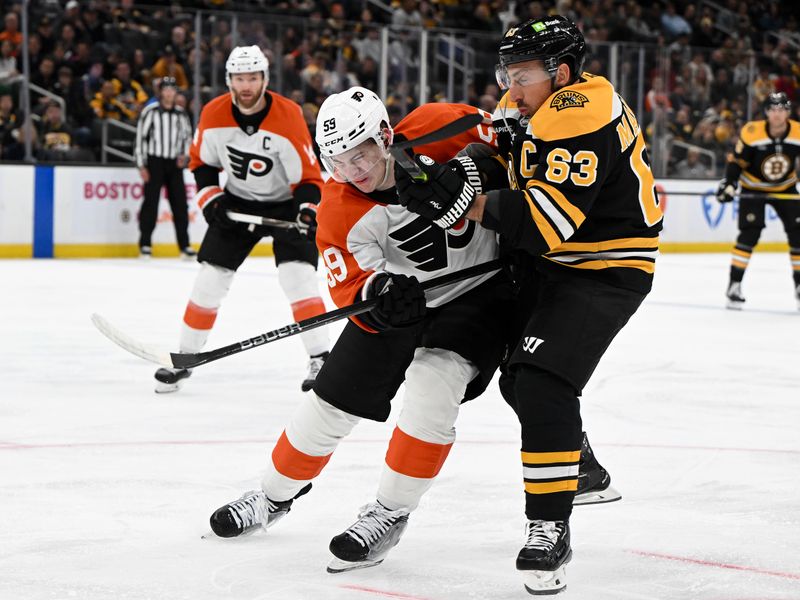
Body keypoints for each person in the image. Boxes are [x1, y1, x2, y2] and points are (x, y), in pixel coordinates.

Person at [206, 86, 619, 574]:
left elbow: (513, 137)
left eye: (359, 155)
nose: (353, 171)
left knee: (432, 388)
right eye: (338, 162)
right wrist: (377, 293)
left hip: (479, 298)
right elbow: (351, 286)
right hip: (400, 309)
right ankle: (272, 496)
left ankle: (388, 513)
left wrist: (493, 171)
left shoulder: (438, 126)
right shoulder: (338, 209)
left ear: (385, 136)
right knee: (330, 401)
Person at [395, 16, 661, 594]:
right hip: (561, 265)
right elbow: (504, 152)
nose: (510, 88)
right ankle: (581, 468)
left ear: (561, 73)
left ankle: (549, 528)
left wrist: (465, 205)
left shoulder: (580, 112)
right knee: (519, 382)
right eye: (507, 74)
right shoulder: (541, 104)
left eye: (521, 75)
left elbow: (546, 224)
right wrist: (462, 174)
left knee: (540, 382)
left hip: (604, 270)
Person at [153, 46, 329, 394]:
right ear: (228, 81)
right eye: (239, 78)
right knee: (209, 280)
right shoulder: (213, 112)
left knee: (299, 279)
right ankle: (186, 356)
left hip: (285, 206)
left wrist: (308, 212)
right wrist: (212, 200)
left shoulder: (288, 114)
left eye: (252, 78)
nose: (246, 85)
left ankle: (321, 357)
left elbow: (309, 179)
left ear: (264, 79)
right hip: (236, 203)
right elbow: (201, 164)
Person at [716, 91, 800, 310]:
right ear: (766, 113)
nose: (777, 114)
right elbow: (737, 162)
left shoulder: (798, 132)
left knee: (798, 233)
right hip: (753, 188)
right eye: (773, 110)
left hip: (785, 187)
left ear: (788, 112)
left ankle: (799, 286)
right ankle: (734, 285)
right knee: (750, 232)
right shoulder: (752, 133)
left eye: (781, 109)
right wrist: (729, 183)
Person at [134, 77, 194, 259]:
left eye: (172, 90)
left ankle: (184, 245)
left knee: (180, 205)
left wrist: (184, 155)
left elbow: (187, 138)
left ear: (176, 93)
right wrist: (141, 165)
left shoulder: (181, 114)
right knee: (150, 203)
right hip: (154, 162)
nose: (169, 93)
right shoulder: (150, 112)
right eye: (165, 90)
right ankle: (145, 244)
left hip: (174, 164)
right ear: (160, 92)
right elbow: (140, 139)